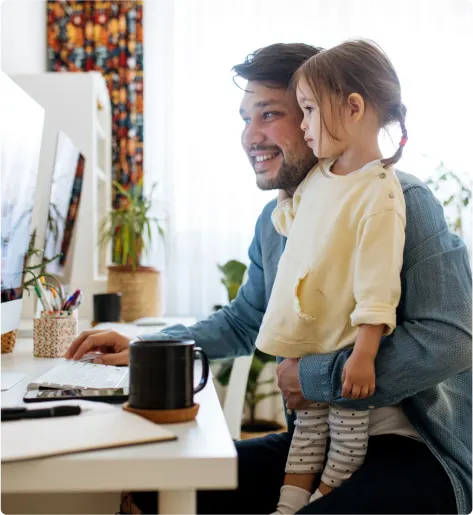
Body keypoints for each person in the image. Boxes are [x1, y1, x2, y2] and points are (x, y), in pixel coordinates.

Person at [66, 43, 473, 515]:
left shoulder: (400, 199)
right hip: (319, 442)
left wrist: (318, 379)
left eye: (271, 114)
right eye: (245, 118)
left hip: (414, 451)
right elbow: (245, 321)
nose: (251, 136)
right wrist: (147, 350)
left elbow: (451, 339)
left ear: (323, 114)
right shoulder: (275, 220)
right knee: (149, 491)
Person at [256, 40, 407, 515]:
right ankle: (290, 503)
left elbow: (377, 287)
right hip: (309, 342)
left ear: (353, 108)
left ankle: (323, 497)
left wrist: (362, 356)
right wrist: (284, 199)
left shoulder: (382, 194)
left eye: (306, 111)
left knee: (345, 440)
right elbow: (298, 227)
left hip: (342, 351)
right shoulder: (320, 177)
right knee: (305, 435)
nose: (302, 126)